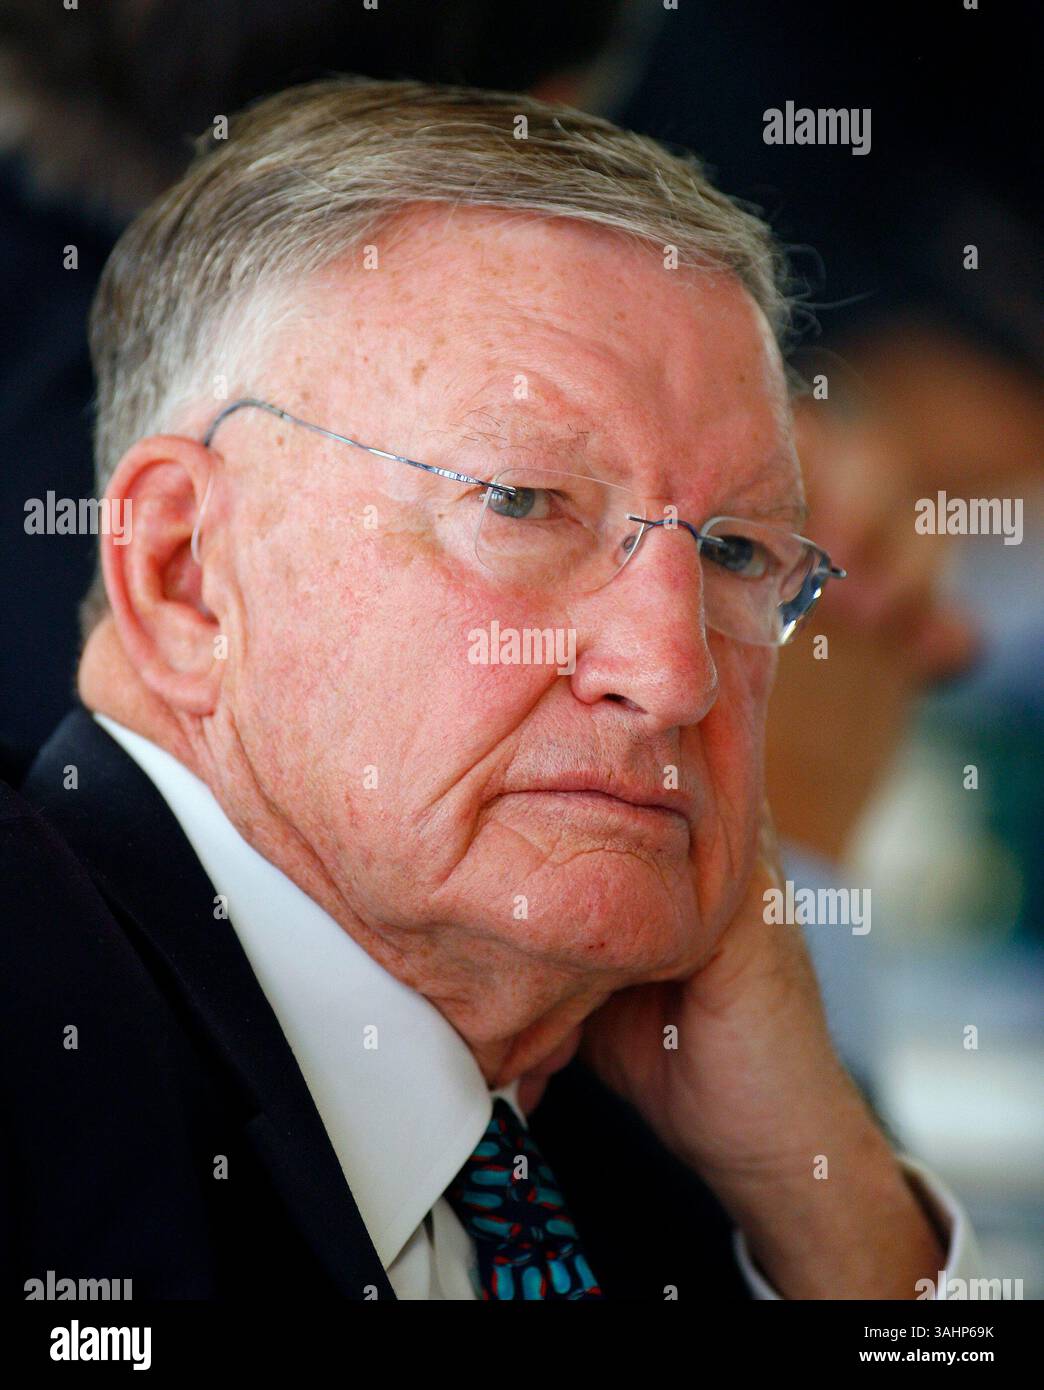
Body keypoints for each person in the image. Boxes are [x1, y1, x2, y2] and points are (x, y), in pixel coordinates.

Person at [1, 77, 981, 1301]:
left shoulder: (638, 1147)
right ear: (184, 573)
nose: (671, 673)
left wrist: (816, 1192)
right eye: (520, 503)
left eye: (735, 550)